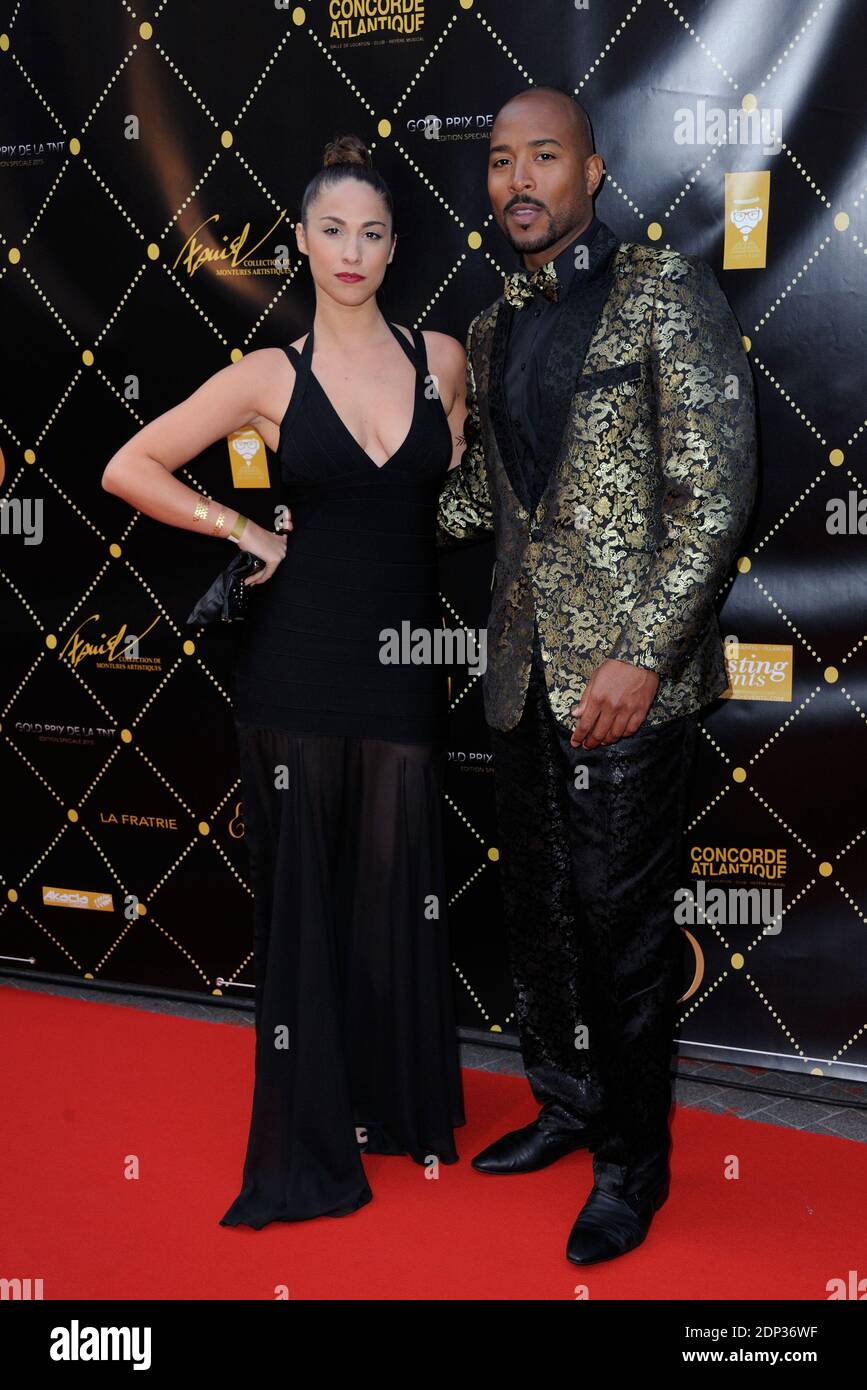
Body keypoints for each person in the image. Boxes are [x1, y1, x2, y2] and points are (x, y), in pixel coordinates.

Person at [101, 133, 472, 1228]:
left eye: (372, 232)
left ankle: (392, 1102)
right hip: (296, 669)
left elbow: (451, 489)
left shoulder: (443, 358)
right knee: (307, 901)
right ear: (302, 242)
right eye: (331, 230)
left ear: (394, 247)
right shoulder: (270, 373)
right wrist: (246, 532)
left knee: (397, 890)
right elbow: (130, 465)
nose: (351, 251)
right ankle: (311, 1137)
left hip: (403, 664)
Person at [435, 86, 758, 1264]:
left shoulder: (666, 295)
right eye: (501, 160)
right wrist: (373, 457)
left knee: (623, 940)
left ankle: (633, 1165)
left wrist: (641, 655)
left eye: (544, 158)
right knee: (541, 922)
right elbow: (480, 502)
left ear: (591, 170)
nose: (520, 180)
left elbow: (715, 497)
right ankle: (565, 1107)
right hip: (524, 675)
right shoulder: (490, 326)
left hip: (630, 684)